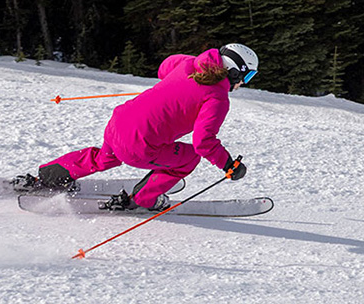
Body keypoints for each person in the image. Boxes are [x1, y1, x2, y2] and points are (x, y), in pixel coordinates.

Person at [17, 43, 257, 211]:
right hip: (139, 146)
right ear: (235, 73)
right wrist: (228, 164)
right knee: (189, 159)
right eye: (246, 78)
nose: (242, 85)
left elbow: (165, 68)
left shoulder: (189, 64)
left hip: (118, 124)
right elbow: (203, 142)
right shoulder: (217, 98)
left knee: (104, 158)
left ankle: (50, 176)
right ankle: (144, 199)